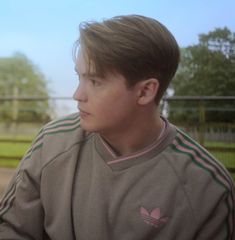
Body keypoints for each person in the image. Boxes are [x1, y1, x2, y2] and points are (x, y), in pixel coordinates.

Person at [0, 15, 234, 240]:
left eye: (95, 81)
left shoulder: (208, 189)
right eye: (79, 77)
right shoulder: (51, 142)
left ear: (145, 91)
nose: (77, 95)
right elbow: (10, 227)